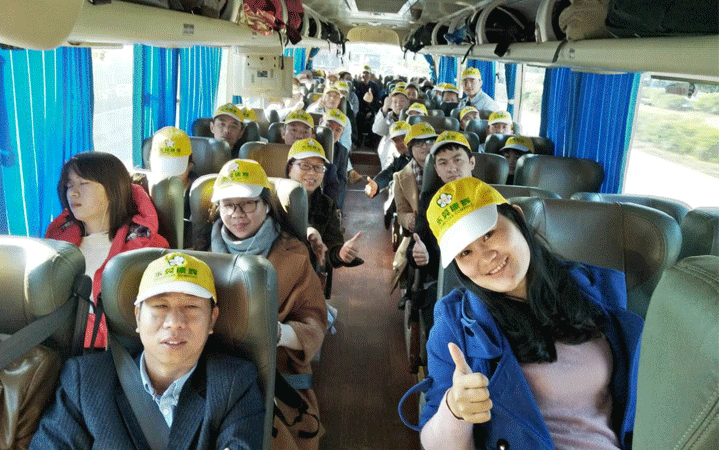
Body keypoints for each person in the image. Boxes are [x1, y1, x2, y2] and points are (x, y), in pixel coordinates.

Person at [414, 177, 643, 450]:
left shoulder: (593, 288)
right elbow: (433, 442)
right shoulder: (454, 326)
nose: (485, 257)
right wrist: (454, 410)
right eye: (466, 252)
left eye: (488, 234)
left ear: (518, 217)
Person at [30, 251, 265, 449]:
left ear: (212, 319)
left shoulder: (234, 384)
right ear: (138, 317)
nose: (174, 322)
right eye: (160, 306)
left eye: (191, 306)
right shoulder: (86, 381)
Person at [196, 159, 327, 450]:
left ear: (266, 205)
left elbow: (315, 322)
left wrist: (281, 333)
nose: (237, 214)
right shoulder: (199, 254)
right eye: (228, 205)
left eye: (248, 204)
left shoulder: (294, 255)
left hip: (272, 372)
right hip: (208, 369)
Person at [45, 152, 169, 349]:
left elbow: (152, 318)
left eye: (83, 183)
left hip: (112, 353)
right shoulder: (54, 242)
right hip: (54, 346)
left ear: (112, 189)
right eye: (69, 185)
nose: (73, 193)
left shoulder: (149, 248)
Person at [407, 131, 476, 279]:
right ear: (437, 171)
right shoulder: (430, 200)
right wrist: (419, 254)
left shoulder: (489, 195)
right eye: (443, 163)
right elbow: (416, 243)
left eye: (457, 160)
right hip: (443, 278)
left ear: (472, 163)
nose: (451, 168)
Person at [286, 138, 363, 269]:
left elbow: (331, 245)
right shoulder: (271, 198)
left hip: (308, 271)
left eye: (318, 167)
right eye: (305, 165)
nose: (312, 173)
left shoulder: (326, 204)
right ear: (289, 168)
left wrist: (340, 254)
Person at [148, 126, 198, 247]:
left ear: (191, 161)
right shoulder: (139, 193)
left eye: (175, 167)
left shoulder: (200, 196)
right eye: (164, 167)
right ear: (150, 159)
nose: (169, 175)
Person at [364, 120, 420, 199]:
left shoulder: (423, 154)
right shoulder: (400, 160)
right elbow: (388, 174)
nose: (400, 143)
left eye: (403, 137)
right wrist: (376, 185)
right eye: (396, 140)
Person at [319, 108, 351, 209]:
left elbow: (342, 179)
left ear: (342, 134)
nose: (332, 132)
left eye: (338, 130)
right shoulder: (309, 144)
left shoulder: (342, 151)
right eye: (329, 126)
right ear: (320, 123)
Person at [373, 87, 411, 170]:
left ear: (408, 102)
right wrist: (385, 108)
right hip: (389, 151)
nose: (398, 104)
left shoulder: (413, 116)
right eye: (395, 102)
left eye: (402, 101)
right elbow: (378, 130)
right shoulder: (387, 116)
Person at [355, 65, 382, 148]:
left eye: (367, 73)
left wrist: (370, 111)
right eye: (363, 73)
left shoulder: (375, 87)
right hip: (360, 110)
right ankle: (358, 140)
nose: (365, 75)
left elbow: (376, 102)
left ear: (370, 75)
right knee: (358, 116)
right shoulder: (357, 86)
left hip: (371, 110)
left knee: (373, 118)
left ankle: (370, 142)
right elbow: (357, 101)